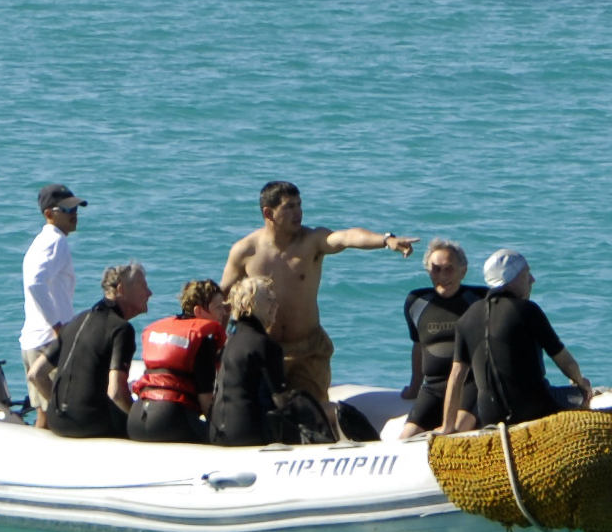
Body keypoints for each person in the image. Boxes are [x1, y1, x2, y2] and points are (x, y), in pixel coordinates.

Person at [221, 180, 413, 443]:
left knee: (312, 416)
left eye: (299, 205)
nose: (298, 213)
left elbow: (346, 237)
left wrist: (386, 239)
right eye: (289, 207)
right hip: (266, 352)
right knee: (267, 415)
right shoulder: (246, 251)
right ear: (268, 213)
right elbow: (223, 298)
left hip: (308, 350)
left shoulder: (312, 241)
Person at [442, 249, 591, 432]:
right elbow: (563, 360)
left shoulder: (466, 319)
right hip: (536, 407)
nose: (532, 279)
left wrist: (447, 427)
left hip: (490, 415)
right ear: (512, 278)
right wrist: (580, 382)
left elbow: (456, 376)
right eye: (527, 273)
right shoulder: (527, 310)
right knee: (581, 394)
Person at [42, 261, 150, 440]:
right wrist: (137, 420)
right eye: (144, 286)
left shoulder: (75, 321)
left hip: (56, 421)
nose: (150, 293)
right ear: (121, 289)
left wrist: (57, 406)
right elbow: (115, 392)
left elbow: (36, 374)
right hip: (91, 423)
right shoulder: (121, 328)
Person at [126, 277, 230, 444]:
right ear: (199, 311)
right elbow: (206, 399)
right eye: (218, 307)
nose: (224, 313)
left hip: (136, 421)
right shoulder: (202, 341)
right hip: (168, 420)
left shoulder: (163, 330)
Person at [18, 184, 84, 410]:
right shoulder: (55, 241)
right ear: (49, 214)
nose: (74, 215)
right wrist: (57, 326)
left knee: (45, 417)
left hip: (32, 340)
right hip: (48, 342)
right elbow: (36, 283)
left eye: (75, 209)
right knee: (62, 412)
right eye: (67, 210)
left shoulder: (40, 242)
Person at [400, 239, 479, 426]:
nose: (442, 276)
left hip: (469, 385)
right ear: (428, 272)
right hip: (433, 388)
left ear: (463, 270)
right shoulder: (416, 302)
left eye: (448, 269)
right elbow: (418, 346)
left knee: (459, 429)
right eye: (436, 269)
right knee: (406, 436)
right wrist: (414, 388)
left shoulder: (479, 300)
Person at [209, 301, 304, 447]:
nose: (275, 305)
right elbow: (280, 400)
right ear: (249, 306)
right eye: (268, 300)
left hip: (215, 433)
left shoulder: (228, 343)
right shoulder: (265, 345)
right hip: (248, 434)